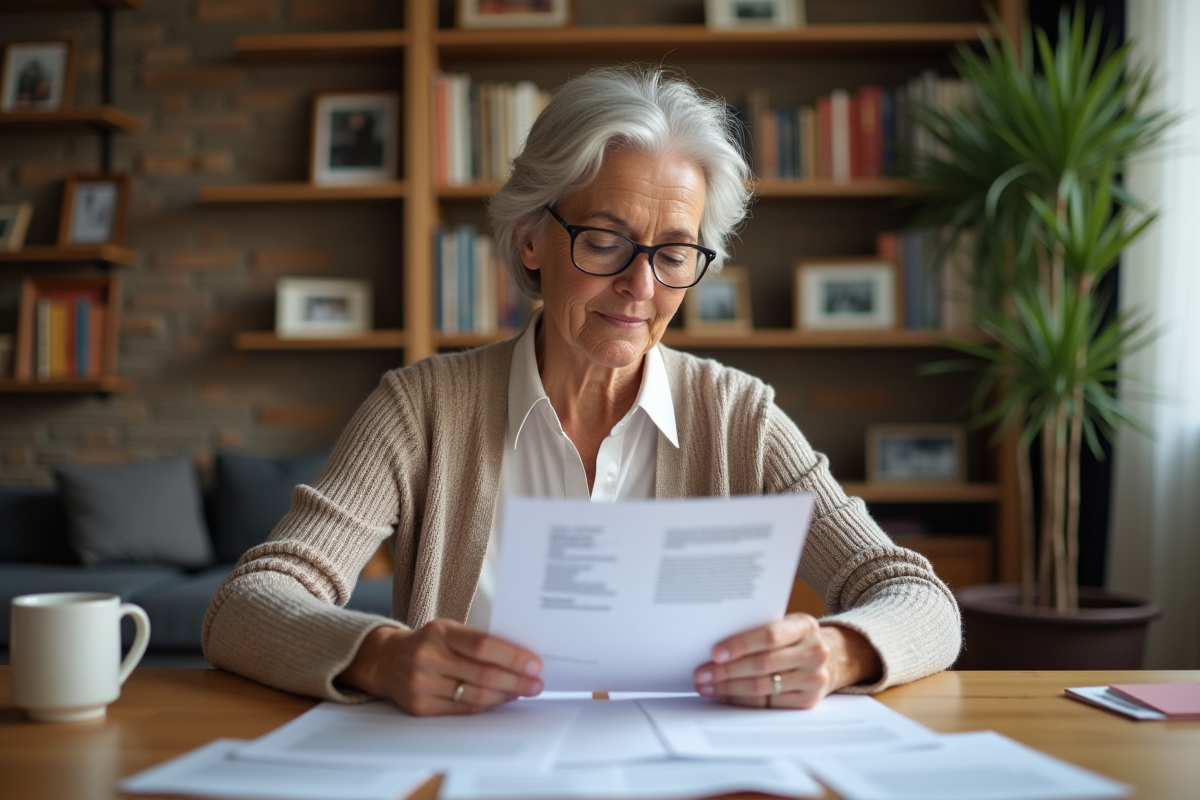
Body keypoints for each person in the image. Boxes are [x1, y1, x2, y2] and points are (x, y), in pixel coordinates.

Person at [203, 65, 961, 717]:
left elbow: (919, 598)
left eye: (674, 254)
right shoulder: (422, 408)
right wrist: (380, 658)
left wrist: (838, 651)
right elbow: (248, 604)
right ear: (532, 237)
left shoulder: (739, 416)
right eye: (605, 241)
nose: (640, 286)